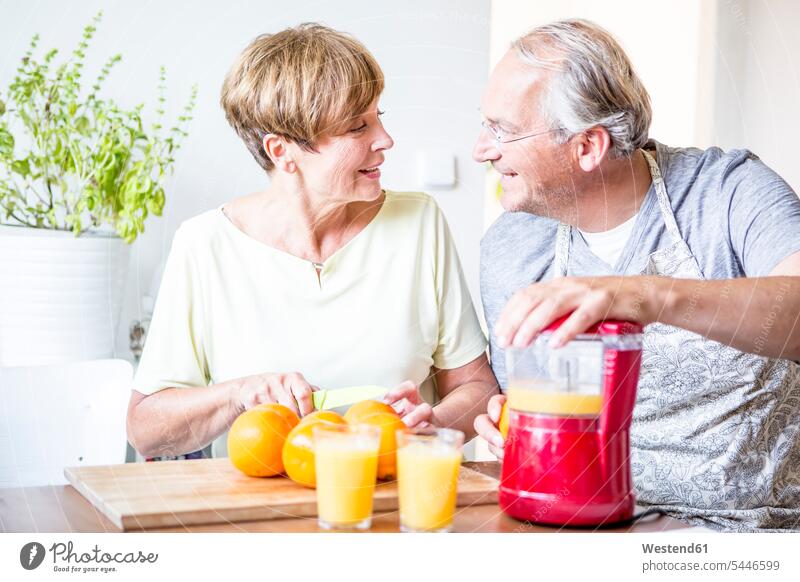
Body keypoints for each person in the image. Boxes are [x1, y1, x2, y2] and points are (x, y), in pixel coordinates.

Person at [472, 19, 800, 531]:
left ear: (587, 147)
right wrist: (521, 432)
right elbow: (531, 407)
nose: (481, 150)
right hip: (589, 529)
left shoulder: (727, 192)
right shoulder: (510, 248)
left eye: (503, 131)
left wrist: (644, 295)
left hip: (751, 537)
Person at [127, 23, 497, 459]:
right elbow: (145, 430)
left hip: (399, 510)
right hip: (256, 517)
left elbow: (475, 387)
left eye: (380, 117)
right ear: (282, 152)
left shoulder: (418, 222)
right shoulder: (204, 244)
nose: (385, 140)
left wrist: (431, 425)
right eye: (357, 127)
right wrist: (240, 394)